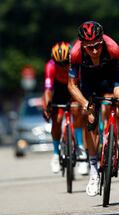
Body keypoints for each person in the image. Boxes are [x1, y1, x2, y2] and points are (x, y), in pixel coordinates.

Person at [68, 21, 119, 197]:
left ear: (102, 41)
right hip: (90, 81)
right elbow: (71, 85)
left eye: (97, 46)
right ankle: (93, 171)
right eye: (89, 47)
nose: (94, 51)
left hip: (112, 76)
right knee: (90, 118)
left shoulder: (112, 47)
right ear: (82, 45)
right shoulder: (76, 53)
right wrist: (86, 104)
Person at [42, 42, 88, 175]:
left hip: (74, 87)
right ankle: (56, 154)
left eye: (65, 62)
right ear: (54, 61)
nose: (63, 66)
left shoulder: (76, 62)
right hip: (59, 90)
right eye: (59, 63)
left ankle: (80, 148)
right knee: (57, 119)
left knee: (76, 110)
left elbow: (81, 84)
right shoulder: (50, 66)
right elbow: (48, 90)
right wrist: (48, 105)